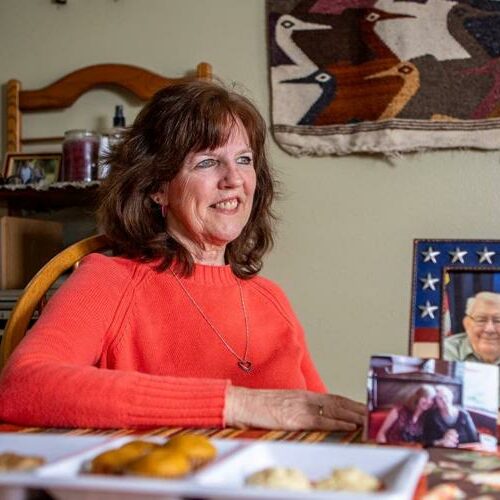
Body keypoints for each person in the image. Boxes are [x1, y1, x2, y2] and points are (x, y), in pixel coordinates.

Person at [0, 80, 365, 431]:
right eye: (207, 162)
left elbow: (316, 416)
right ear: (158, 187)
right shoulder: (110, 280)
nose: (234, 179)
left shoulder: (272, 299)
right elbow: (22, 386)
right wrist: (238, 405)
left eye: (243, 159)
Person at [444, 292, 500, 366]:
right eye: (481, 320)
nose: (489, 329)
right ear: (466, 324)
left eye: (498, 320)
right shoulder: (443, 351)